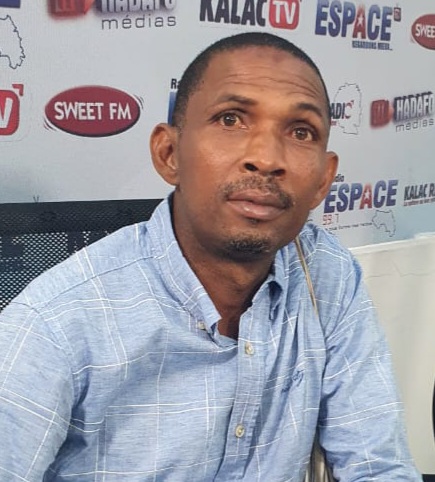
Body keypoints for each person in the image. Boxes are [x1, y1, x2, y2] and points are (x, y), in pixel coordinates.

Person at [0, 32, 422, 481]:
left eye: (301, 131)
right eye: (230, 119)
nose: (266, 158)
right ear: (169, 154)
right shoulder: (54, 325)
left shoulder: (327, 274)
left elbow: (378, 465)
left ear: (323, 181)